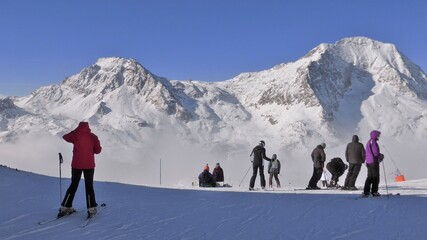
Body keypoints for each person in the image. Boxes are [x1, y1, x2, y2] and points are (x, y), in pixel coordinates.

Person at [59, 122, 102, 218]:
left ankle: (65, 207)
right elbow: (98, 151)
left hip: (76, 165)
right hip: (89, 166)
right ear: (88, 127)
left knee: (73, 185)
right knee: (89, 186)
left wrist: (75, 131)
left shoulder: (76, 135)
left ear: (79, 127)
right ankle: (91, 209)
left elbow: (65, 137)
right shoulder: (93, 137)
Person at [363, 130, 384, 197]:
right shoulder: (373, 142)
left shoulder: (369, 142)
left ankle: (366, 191)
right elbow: (375, 153)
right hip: (374, 162)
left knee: (370, 177)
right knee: (375, 177)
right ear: (375, 135)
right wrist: (381, 156)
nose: (379, 137)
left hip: (369, 162)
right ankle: (374, 191)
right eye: (378, 135)